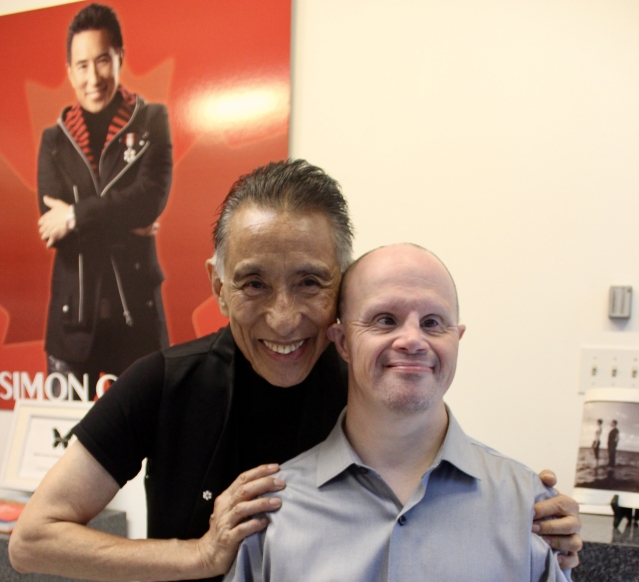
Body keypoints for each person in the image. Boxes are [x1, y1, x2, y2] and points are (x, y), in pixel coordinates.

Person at [10, 160, 581, 582]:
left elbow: (442, 479)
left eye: (310, 282)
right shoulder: (162, 383)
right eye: (253, 283)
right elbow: (32, 541)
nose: (284, 320)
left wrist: (526, 520)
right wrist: (201, 554)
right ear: (218, 286)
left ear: (344, 288)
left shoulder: (368, 379)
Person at [225, 244, 569, 582]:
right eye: (385, 320)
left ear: (457, 338)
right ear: (342, 341)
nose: (413, 340)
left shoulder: (529, 509)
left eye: (433, 323)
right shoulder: (273, 513)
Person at [36, 3, 172, 397]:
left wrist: (77, 214)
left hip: (138, 325)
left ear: (119, 58)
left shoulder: (151, 121)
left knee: (148, 448)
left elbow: (149, 200)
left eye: (102, 60)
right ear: (69, 71)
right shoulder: (54, 140)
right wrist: (125, 220)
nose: (92, 77)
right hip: (71, 329)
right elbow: (52, 228)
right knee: (67, 448)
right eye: (81, 65)